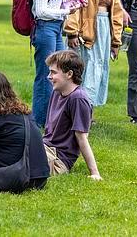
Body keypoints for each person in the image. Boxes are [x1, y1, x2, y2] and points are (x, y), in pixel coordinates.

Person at [31, 0, 82, 127]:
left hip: (57, 29)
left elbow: (56, 6)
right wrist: (65, 11)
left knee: (59, 74)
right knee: (46, 75)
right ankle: (39, 121)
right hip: (45, 29)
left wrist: (72, 5)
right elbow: (41, 10)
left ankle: (53, 119)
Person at [65, 0, 123, 109]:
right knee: (86, 70)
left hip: (105, 33)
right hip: (86, 33)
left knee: (99, 69)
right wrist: (72, 33)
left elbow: (117, 15)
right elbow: (72, 8)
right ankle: (80, 110)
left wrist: (116, 42)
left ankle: (89, 110)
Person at [42, 50, 101, 180]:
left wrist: (94, 173)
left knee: (21, 158)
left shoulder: (78, 99)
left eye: (53, 72)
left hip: (58, 158)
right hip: (44, 148)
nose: (49, 76)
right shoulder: (57, 92)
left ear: (69, 74)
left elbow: (82, 137)